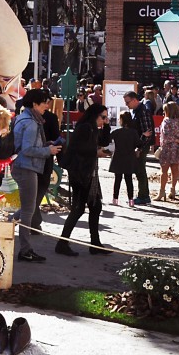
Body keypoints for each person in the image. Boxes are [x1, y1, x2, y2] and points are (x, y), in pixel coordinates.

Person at [10, 88, 62, 263]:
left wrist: (45, 145)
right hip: (26, 167)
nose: (47, 106)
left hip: (23, 166)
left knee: (27, 208)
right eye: (44, 103)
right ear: (34, 104)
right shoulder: (31, 123)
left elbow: (28, 145)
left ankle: (4, 226)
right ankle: (25, 250)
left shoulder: (24, 118)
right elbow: (27, 149)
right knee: (28, 210)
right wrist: (48, 150)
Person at [57, 103, 111, 256]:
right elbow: (78, 148)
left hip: (89, 172)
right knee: (79, 208)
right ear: (95, 115)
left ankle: (95, 244)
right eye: (103, 117)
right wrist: (96, 152)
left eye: (106, 118)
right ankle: (62, 243)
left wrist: (106, 126)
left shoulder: (93, 128)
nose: (104, 120)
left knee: (95, 206)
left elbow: (104, 141)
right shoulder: (85, 127)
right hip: (80, 173)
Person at [123, 90, 155, 205]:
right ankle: (143, 195)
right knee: (138, 170)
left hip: (141, 146)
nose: (127, 105)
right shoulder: (136, 111)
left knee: (140, 170)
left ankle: (144, 196)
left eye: (128, 102)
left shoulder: (143, 111)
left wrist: (140, 148)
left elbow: (148, 132)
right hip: (138, 145)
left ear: (135, 100)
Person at [158, 102, 179, 200]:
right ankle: (173, 190)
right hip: (177, 148)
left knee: (164, 171)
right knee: (174, 170)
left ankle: (162, 191)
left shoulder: (166, 121)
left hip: (167, 148)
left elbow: (166, 136)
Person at [109, 112, 139, 207]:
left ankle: (115, 199)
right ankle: (131, 200)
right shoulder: (133, 132)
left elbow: (107, 138)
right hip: (129, 158)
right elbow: (138, 143)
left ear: (122, 120)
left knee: (117, 180)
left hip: (118, 157)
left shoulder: (116, 132)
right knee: (129, 180)